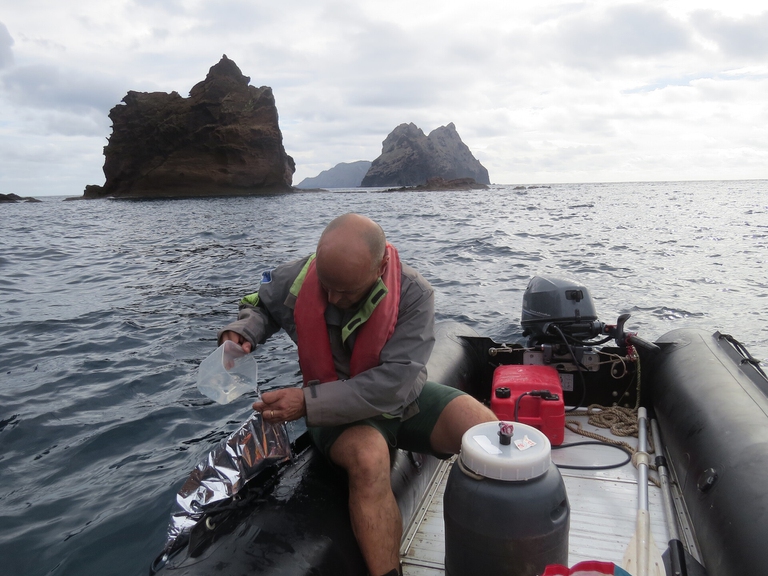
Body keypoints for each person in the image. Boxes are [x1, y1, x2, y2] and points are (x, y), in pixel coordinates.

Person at [219, 213, 496, 576]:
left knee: (484, 430)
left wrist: (304, 402)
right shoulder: (297, 277)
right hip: (335, 412)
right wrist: (244, 331)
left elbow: (394, 384)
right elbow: (261, 303)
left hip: (401, 402)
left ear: (381, 266)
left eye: (346, 291)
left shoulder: (415, 294)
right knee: (369, 458)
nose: (333, 298)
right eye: (327, 286)